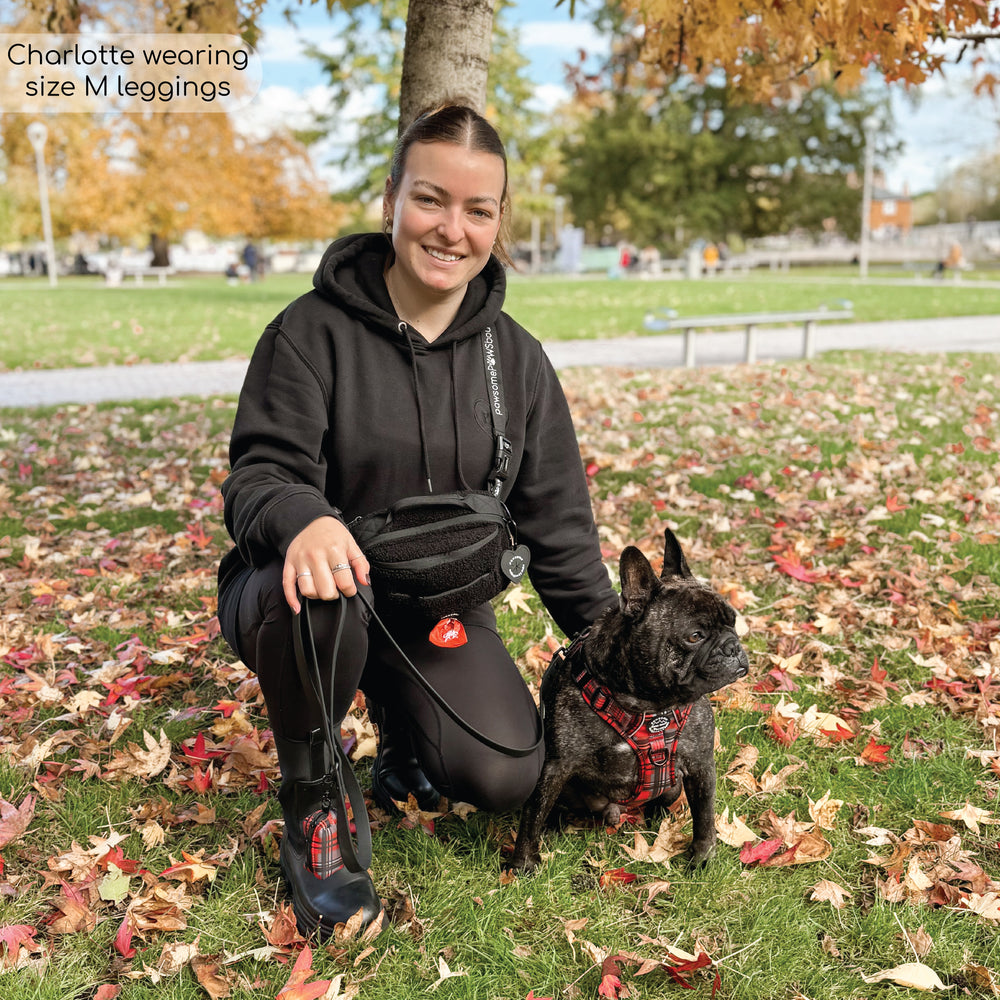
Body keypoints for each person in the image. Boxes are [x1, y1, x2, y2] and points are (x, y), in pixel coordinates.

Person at [217, 104, 617, 940]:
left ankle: (406, 728)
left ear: (500, 221)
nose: (452, 229)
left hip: (435, 608)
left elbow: (561, 534)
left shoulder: (519, 359)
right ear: (392, 197)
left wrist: (623, 677)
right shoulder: (306, 334)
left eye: (478, 210)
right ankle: (316, 802)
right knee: (323, 592)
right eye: (432, 200)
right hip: (303, 600)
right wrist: (303, 521)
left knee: (507, 774)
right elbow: (258, 476)